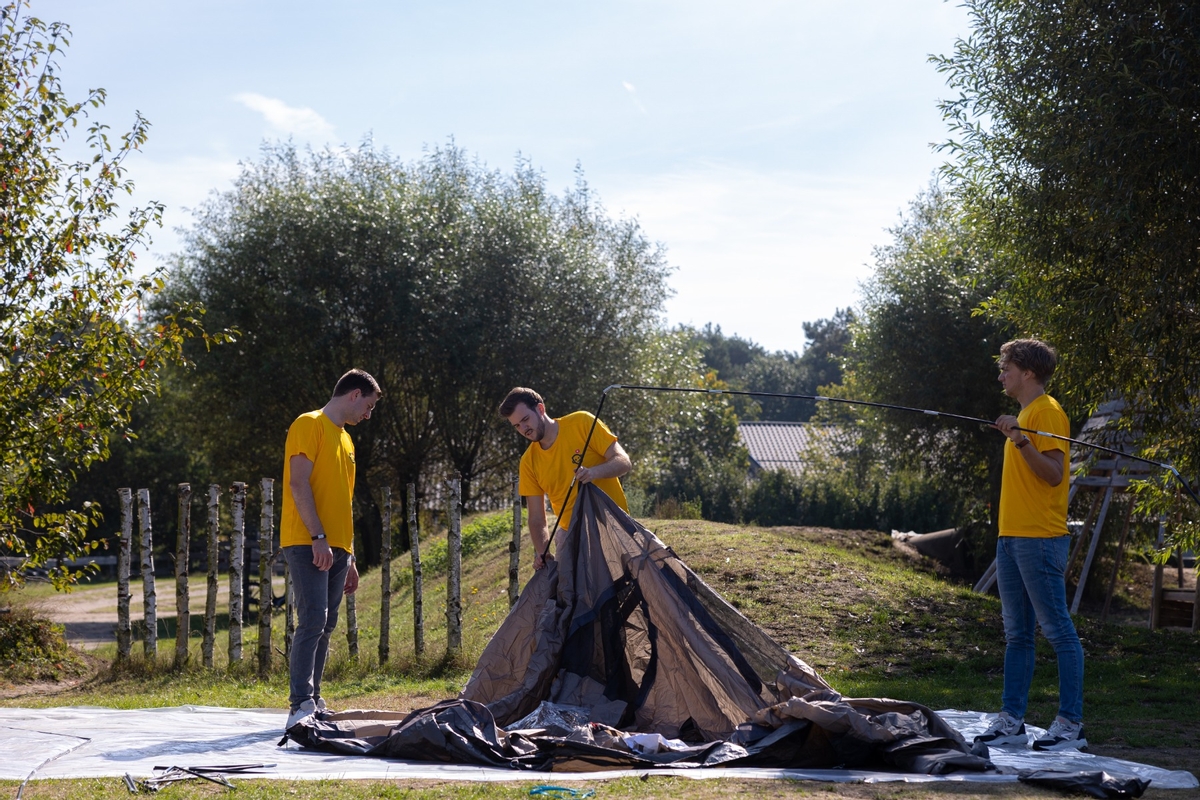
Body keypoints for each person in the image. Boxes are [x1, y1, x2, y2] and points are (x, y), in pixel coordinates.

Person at [975, 339, 1086, 752]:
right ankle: (1012, 721)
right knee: (1017, 635)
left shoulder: (1047, 412)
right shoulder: (1025, 415)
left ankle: (1070, 725)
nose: (1000, 375)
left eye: (1006, 367)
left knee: (1058, 631)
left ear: (1028, 372)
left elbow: (1054, 475)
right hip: (1011, 538)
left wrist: (1021, 440)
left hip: (1039, 538)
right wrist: (1018, 434)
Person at [281, 368, 379, 730]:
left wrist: (349, 555)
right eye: (368, 406)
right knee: (312, 619)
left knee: (327, 624)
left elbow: (343, 500)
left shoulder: (347, 441)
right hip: (307, 540)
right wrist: (318, 537)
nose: (368, 415)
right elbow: (298, 483)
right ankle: (299, 703)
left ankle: (314, 699)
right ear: (354, 394)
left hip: (337, 547)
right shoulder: (309, 424)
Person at [499, 387, 632, 570]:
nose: (524, 429)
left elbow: (624, 462)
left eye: (525, 420)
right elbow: (536, 518)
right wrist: (543, 551)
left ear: (540, 409)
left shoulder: (581, 422)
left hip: (615, 526)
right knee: (567, 587)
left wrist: (594, 472)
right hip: (572, 539)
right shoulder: (528, 462)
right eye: (517, 426)